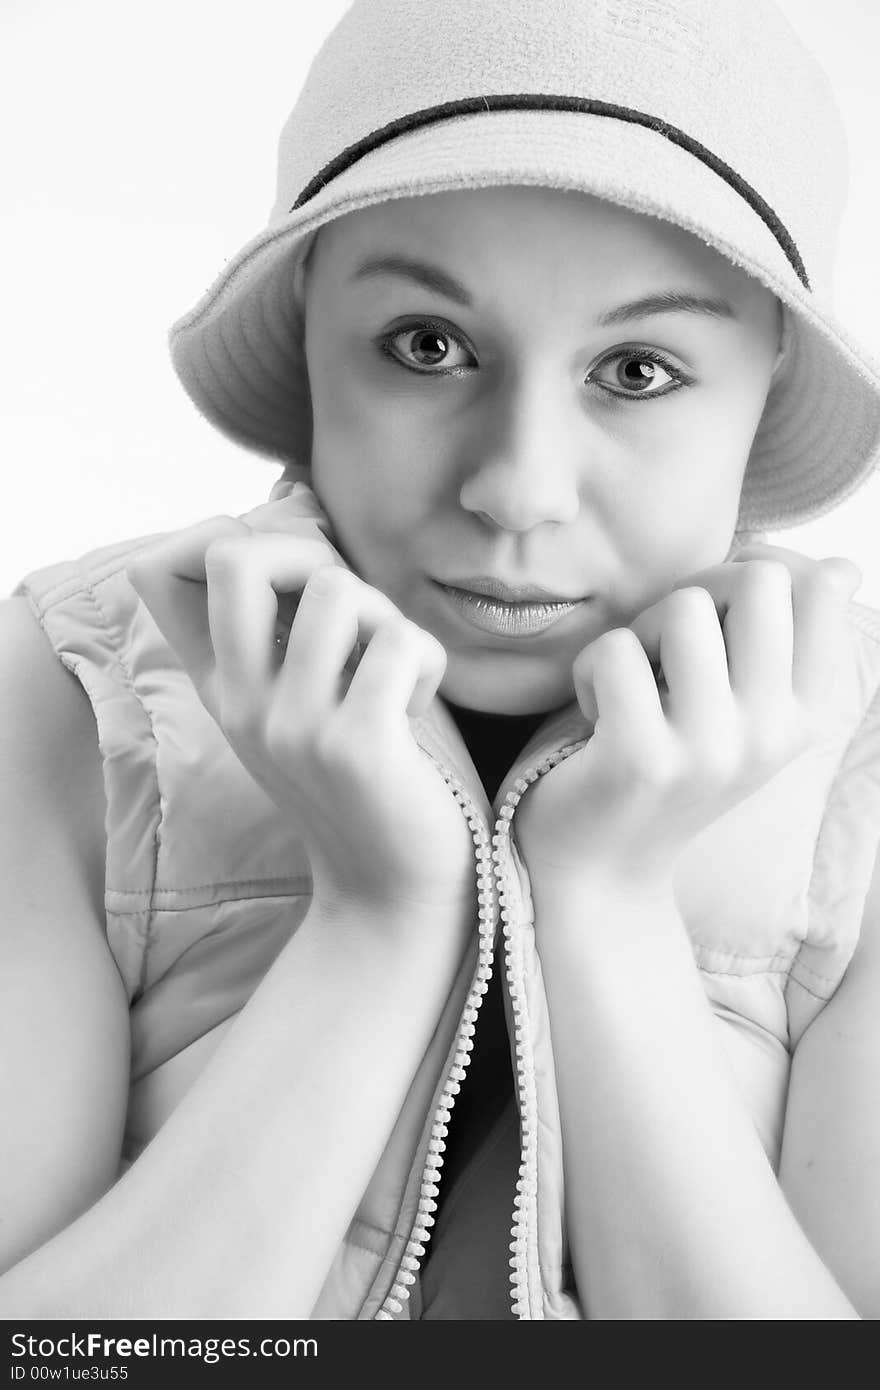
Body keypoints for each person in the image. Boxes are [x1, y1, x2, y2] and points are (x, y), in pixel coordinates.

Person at [1, 0, 880, 1320]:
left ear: (766, 388)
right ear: (309, 339)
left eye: (636, 368)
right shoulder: (74, 687)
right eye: (427, 345)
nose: (517, 489)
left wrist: (608, 904)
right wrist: (374, 918)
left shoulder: (861, 759)